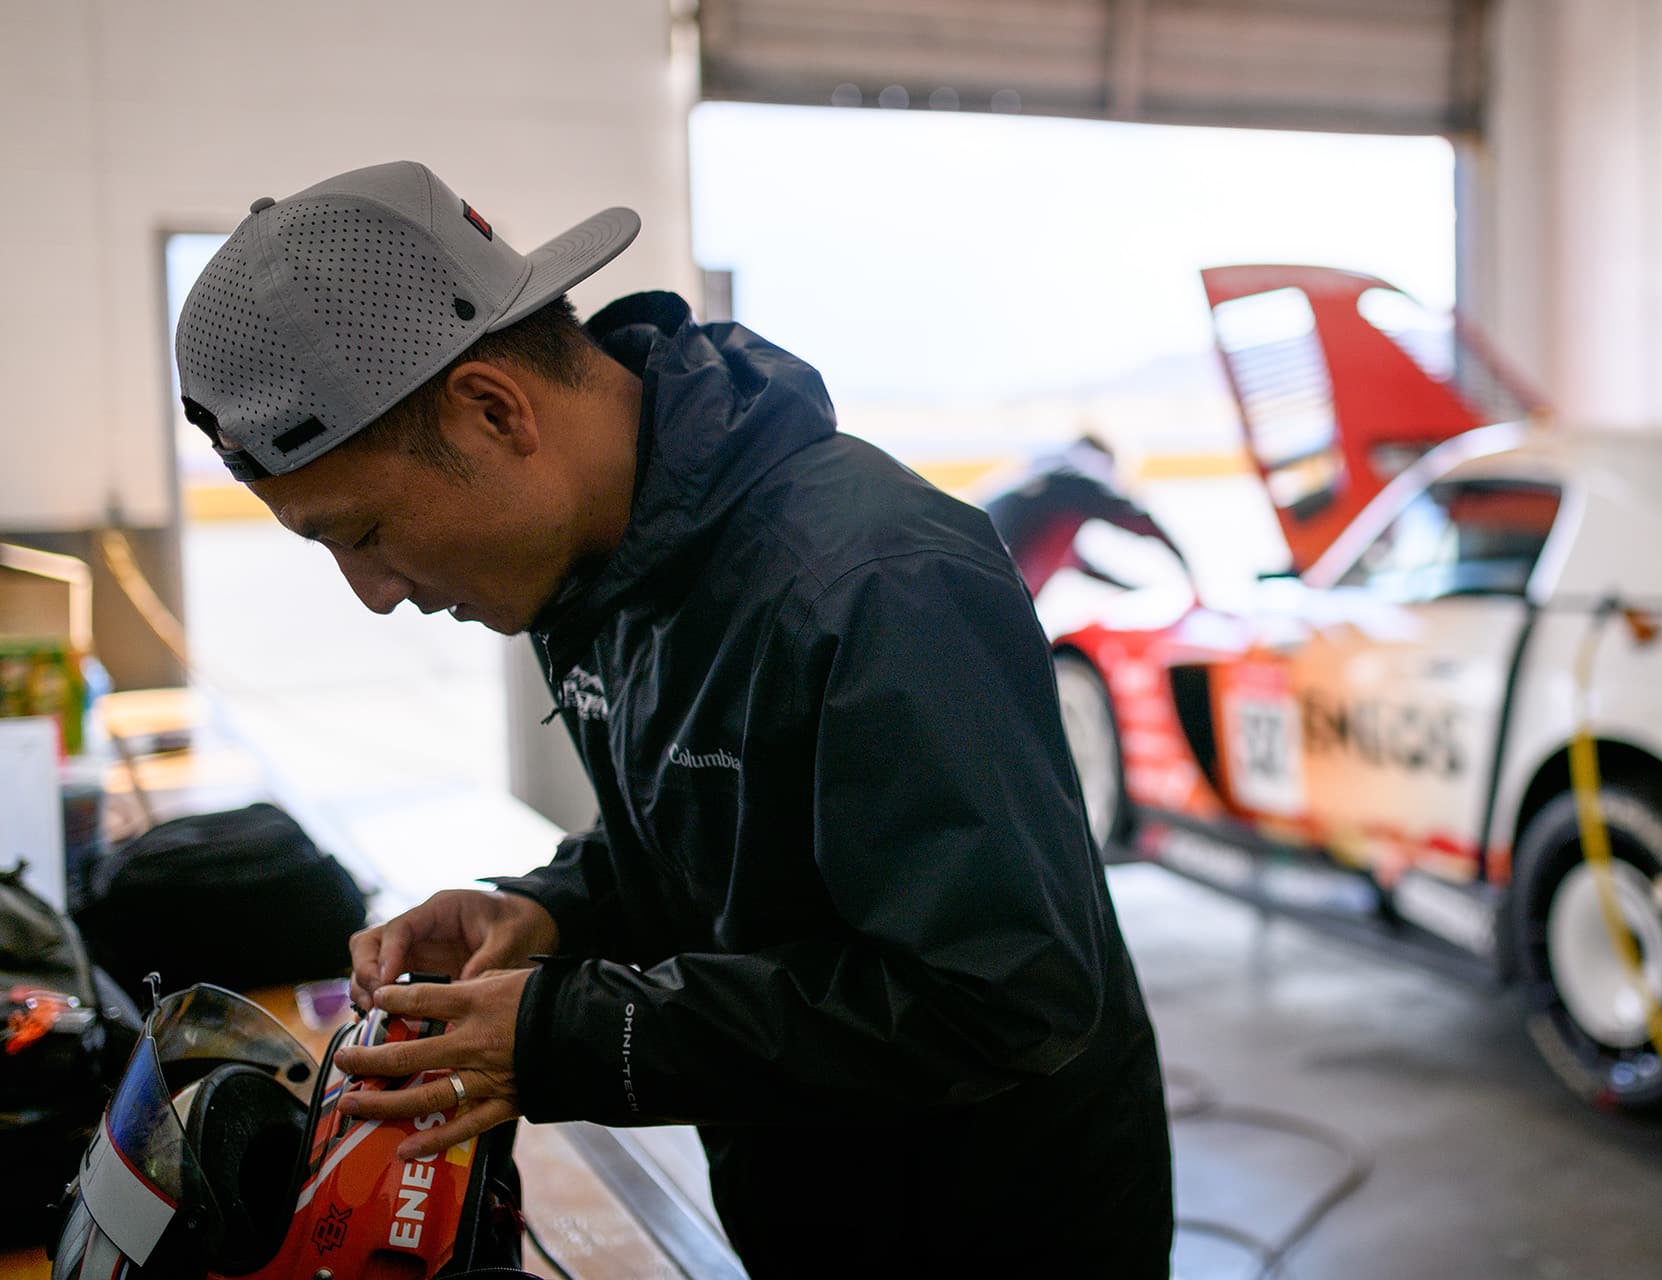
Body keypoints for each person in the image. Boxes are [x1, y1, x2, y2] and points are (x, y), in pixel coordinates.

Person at [174, 161, 1173, 1276]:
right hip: (811, 1200)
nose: (377, 591)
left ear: (495, 410)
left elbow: (1005, 994)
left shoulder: (876, 581)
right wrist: (554, 912)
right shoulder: (617, 566)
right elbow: (725, 833)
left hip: (992, 1227)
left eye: (361, 534)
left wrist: (566, 1034)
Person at [980, 433, 1189, 596]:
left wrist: (1134, 588)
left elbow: (1075, 561)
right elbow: (1143, 522)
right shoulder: (1077, 475)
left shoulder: (1044, 480)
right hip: (993, 594)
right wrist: (1188, 574)